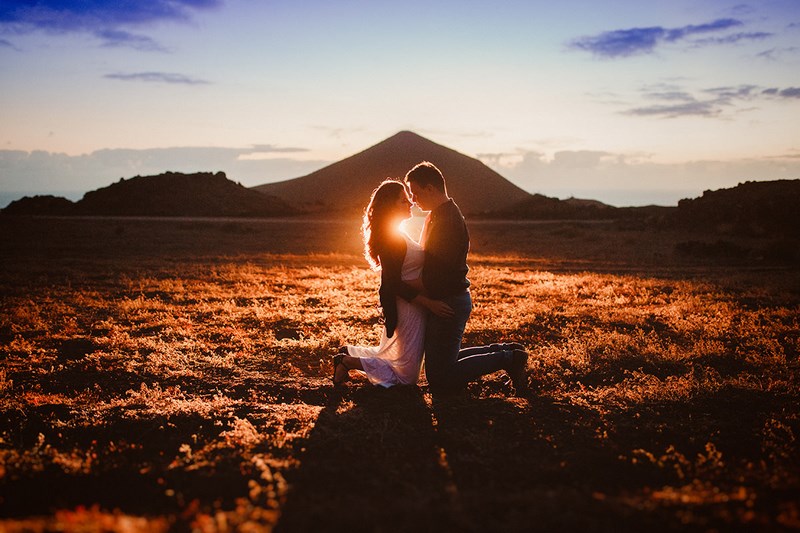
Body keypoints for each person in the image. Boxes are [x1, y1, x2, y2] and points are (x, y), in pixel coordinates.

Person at [403, 161, 528, 396]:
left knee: (440, 377)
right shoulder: (441, 214)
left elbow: (440, 273)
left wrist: (408, 289)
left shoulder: (446, 221)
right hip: (450, 298)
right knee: (445, 361)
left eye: (416, 193)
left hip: (448, 301)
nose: (413, 199)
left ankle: (510, 358)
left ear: (430, 188)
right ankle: (507, 351)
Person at [331, 180, 451, 387]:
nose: (410, 204)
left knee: (396, 357)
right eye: (403, 201)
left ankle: (350, 352)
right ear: (390, 206)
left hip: (413, 305)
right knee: (406, 378)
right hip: (407, 306)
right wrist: (428, 303)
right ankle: (347, 361)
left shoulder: (398, 233)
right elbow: (394, 283)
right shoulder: (390, 238)